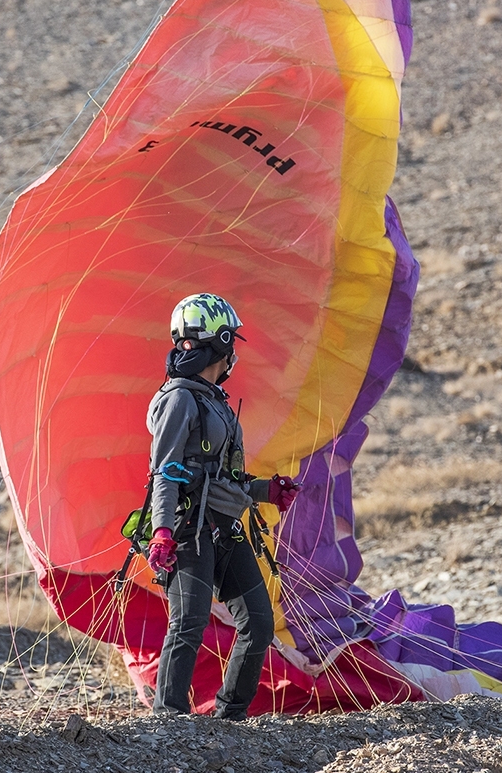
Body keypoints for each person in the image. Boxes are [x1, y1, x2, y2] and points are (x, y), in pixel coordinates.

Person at [146, 293, 299, 719]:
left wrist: (268, 491)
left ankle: (229, 719)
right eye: (232, 342)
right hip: (187, 529)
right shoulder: (179, 398)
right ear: (223, 342)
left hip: (226, 527)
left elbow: (224, 478)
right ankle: (168, 720)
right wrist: (161, 531)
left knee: (258, 622)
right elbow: (165, 471)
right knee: (188, 623)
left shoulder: (215, 401)